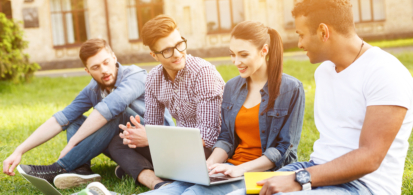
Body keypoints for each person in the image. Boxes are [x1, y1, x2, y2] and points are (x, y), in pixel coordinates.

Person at [229, 0, 413, 195]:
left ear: (323, 32)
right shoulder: (324, 72)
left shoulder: (385, 72)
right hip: (315, 169)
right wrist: (302, 175)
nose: (299, 43)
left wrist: (301, 179)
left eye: (301, 35)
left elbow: (370, 158)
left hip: (363, 185)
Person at [138, 20, 305, 195]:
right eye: (232, 54)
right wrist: (208, 166)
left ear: (264, 51)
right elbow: (226, 138)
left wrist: (240, 170)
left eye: (243, 55)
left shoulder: (291, 88)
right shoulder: (233, 87)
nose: (236, 61)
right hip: (229, 168)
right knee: (165, 192)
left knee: (192, 194)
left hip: (262, 174)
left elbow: (284, 149)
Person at [2, 38, 174, 189]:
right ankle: (81, 169)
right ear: (88, 71)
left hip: (162, 146)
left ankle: (61, 167)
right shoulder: (92, 90)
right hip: (126, 145)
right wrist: (19, 150)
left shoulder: (136, 75)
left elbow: (110, 107)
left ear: (114, 57)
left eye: (106, 62)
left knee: (116, 113)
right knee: (74, 120)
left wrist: (72, 145)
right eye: (96, 67)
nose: (104, 70)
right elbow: (61, 118)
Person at [106, 15, 225, 190]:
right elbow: (154, 126)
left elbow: (208, 138)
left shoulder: (203, 73)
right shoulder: (153, 78)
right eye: (167, 50)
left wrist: (151, 139)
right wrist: (142, 135)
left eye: (179, 45)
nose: (177, 54)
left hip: (209, 151)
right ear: (154, 55)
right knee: (119, 142)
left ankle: (142, 170)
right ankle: (158, 182)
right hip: (177, 148)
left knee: (168, 151)